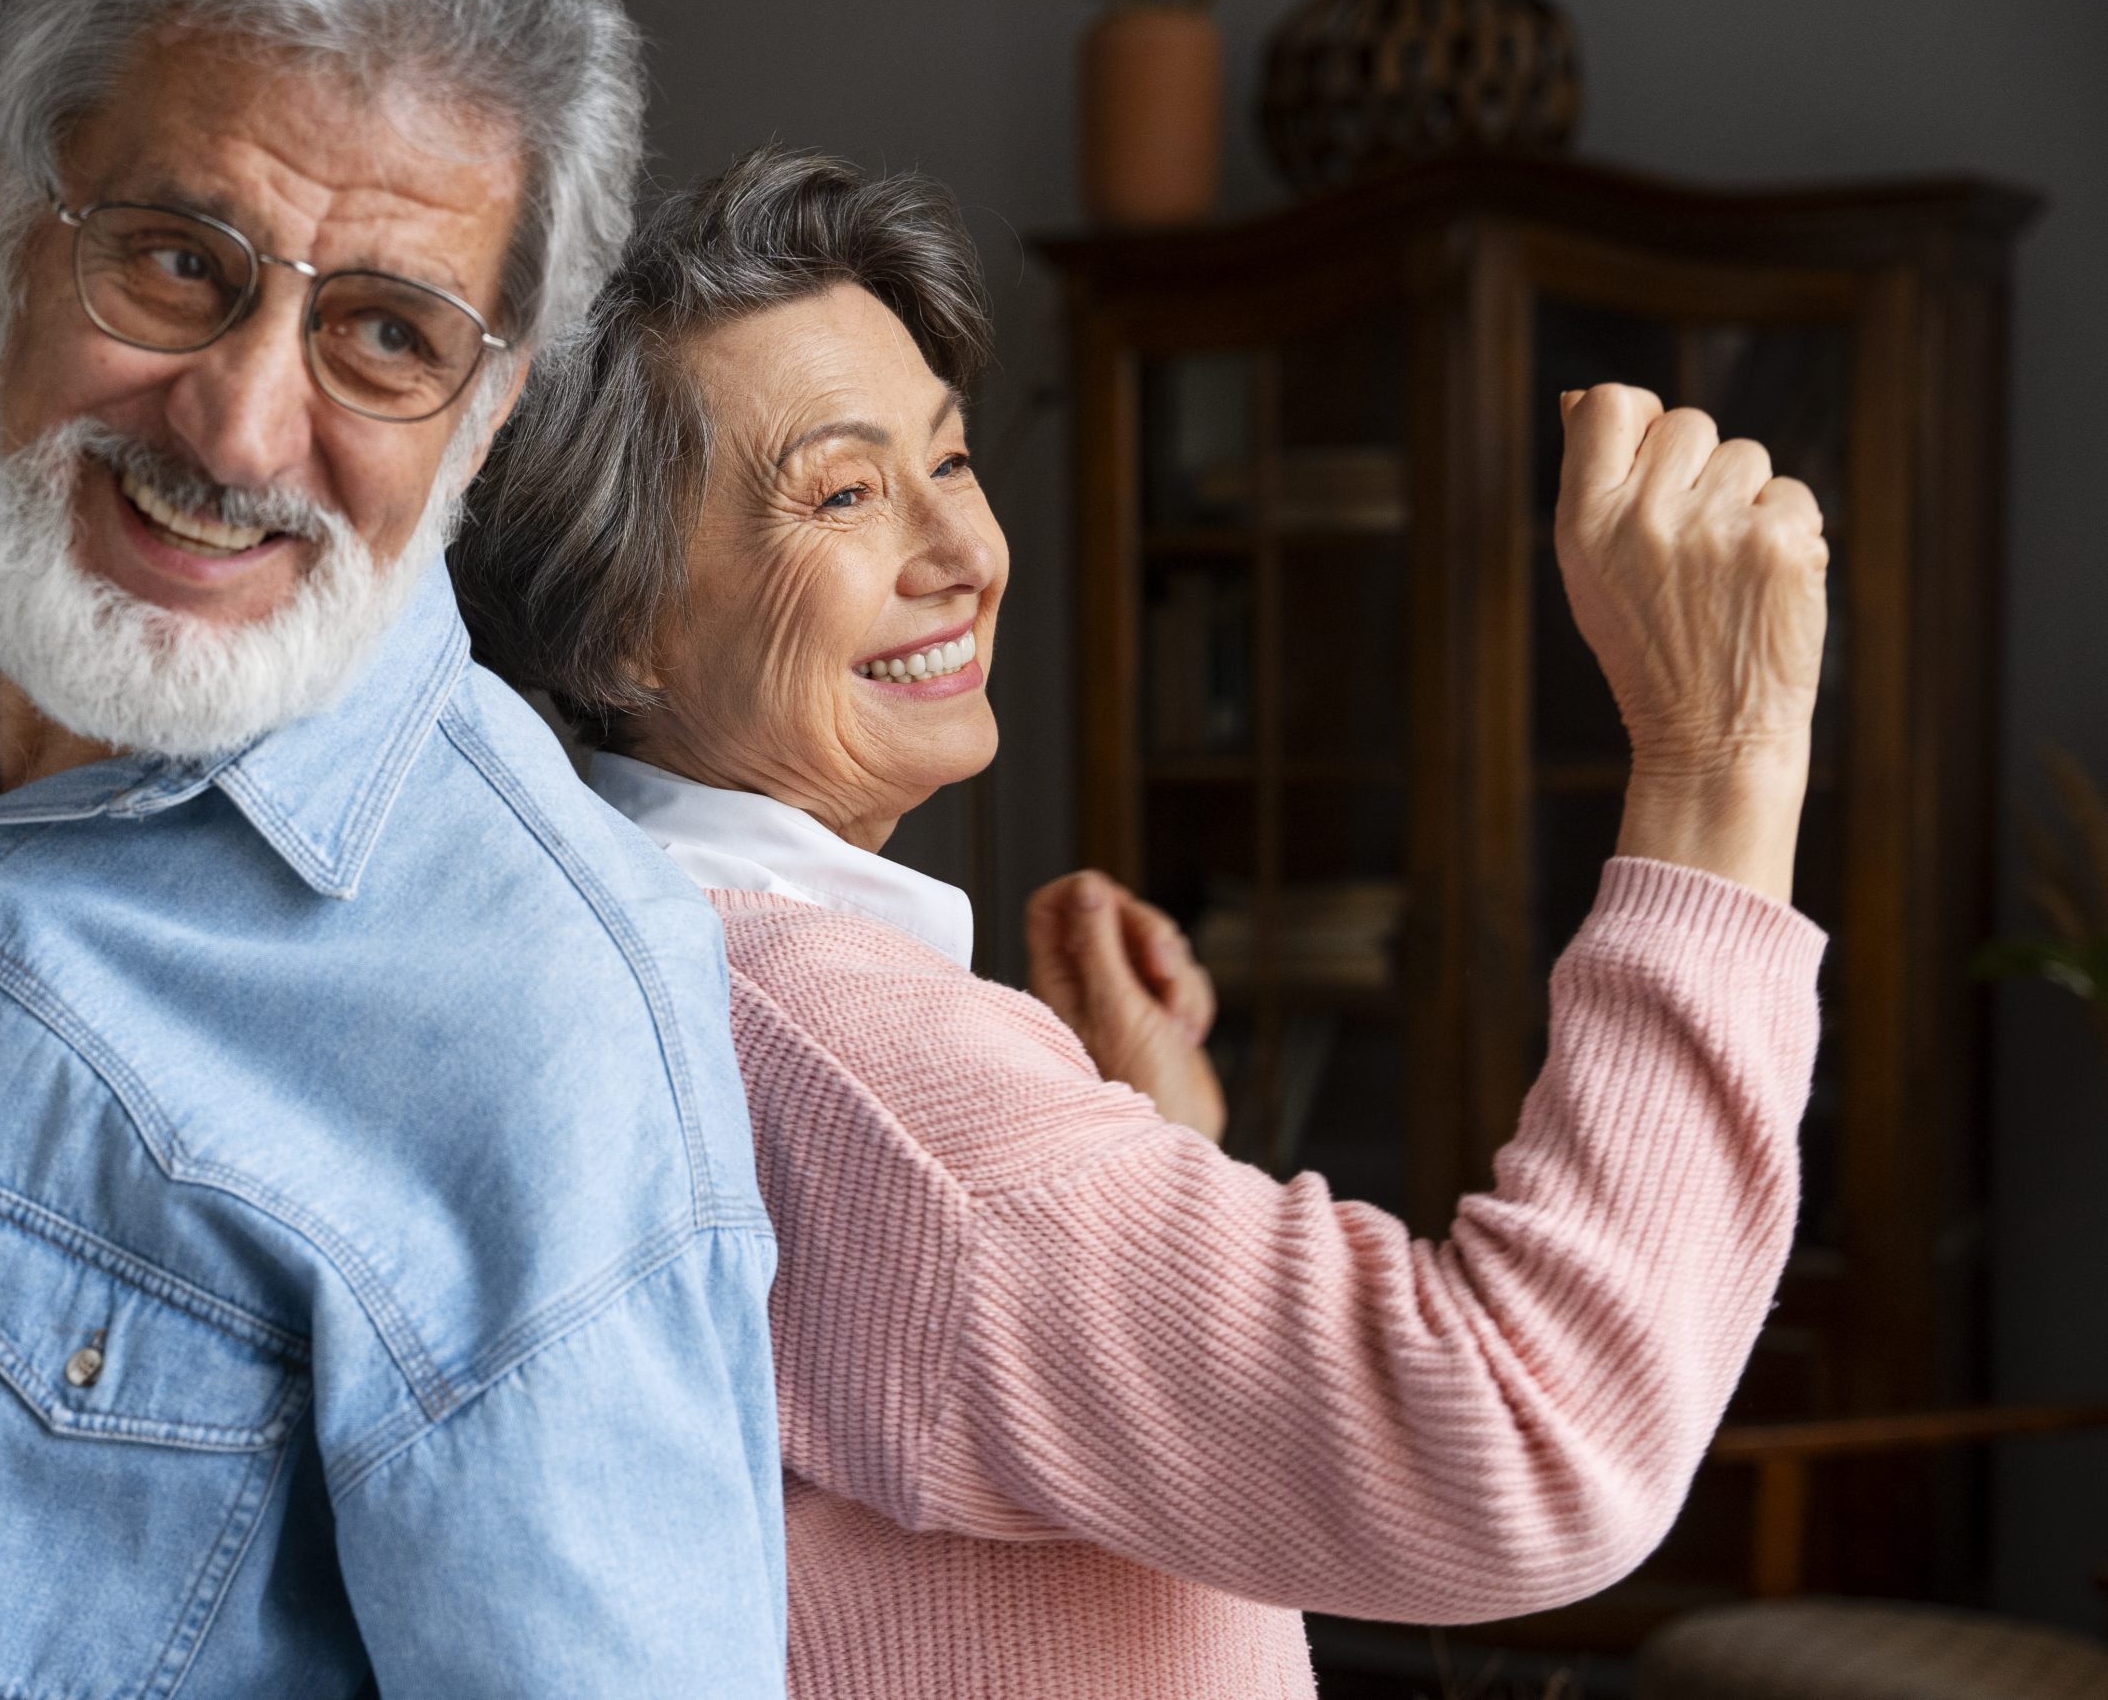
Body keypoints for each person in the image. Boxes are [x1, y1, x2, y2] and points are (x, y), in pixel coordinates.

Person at [454, 147, 1831, 1700]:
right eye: (844, 491)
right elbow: (1528, 1442)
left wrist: (1143, 1152)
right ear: (617, 626)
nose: (965, 555)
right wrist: (1722, 768)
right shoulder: (850, 1056)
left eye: (954, 462)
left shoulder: (667, 971)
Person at [0, 0, 786, 1696]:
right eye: (178, 264)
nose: (237, 429)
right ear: (6, 251)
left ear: (485, 415)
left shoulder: (550, 1019)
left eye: (385, 339)